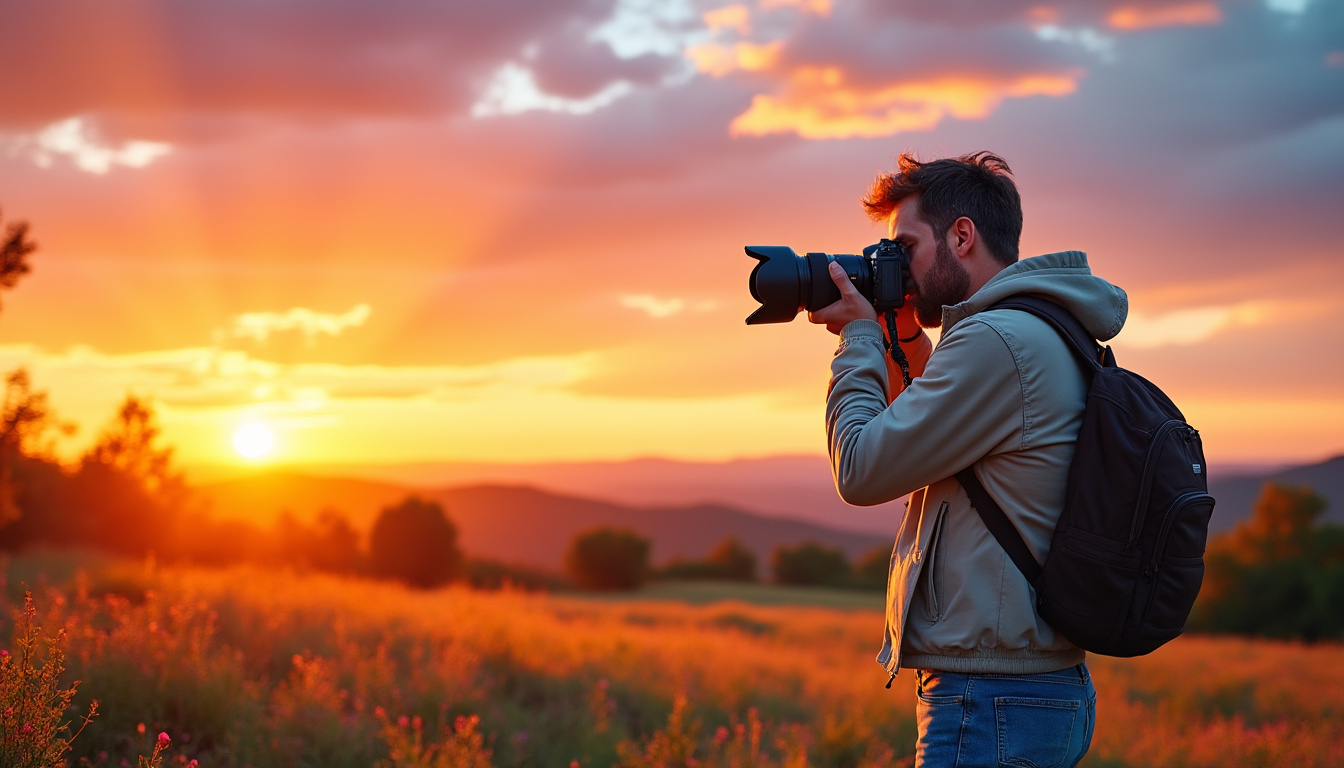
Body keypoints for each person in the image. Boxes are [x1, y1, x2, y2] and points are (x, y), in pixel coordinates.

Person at [808, 151, 1125, 767]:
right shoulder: (1040, 326)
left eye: (905, 246)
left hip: (994, 696)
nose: (894, 267)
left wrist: (857, 340)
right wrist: (900, 337)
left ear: (962, 235)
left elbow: (863, 467)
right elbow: (936, 438)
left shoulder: (995, 340)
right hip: (1027, 688)